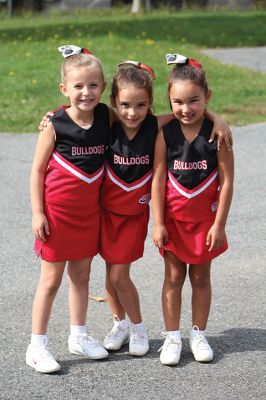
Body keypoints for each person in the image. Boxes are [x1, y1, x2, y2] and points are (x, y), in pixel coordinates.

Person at [38, 59, 233, 358]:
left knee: (118, 276)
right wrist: (54, 114)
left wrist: (216, 118)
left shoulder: (155, 125)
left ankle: (139, 327)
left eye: (140, 106)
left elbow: (186, 112)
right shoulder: (109, 122)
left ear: (150, 105)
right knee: (107, 275)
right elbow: (77, 111)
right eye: (125, 105)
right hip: (102, 213)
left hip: (133, 216)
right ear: (115, 103)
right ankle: (120, 324)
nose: (132, 112)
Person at [26, 45, 111, 373]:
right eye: (78, 86)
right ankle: (37, 346)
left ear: (102, 87)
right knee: (50, 280)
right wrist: (37, 212)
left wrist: (213, 117)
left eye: (93, 85)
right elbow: (37, 170)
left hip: (89, 215)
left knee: (81, 276)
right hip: (57, 216)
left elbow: (145, 119)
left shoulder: (106, 115)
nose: (86, 92)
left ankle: (78, 335)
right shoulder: (55, 124)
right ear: (64, 90)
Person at [151, 53, 234, 366]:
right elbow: (158, 179)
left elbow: (226, 182)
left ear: (207, 97)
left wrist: (219, 224)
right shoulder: (164, 131)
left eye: (194, 101)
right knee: (173, 278)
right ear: (170, 101)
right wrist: (158, 223)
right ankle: (172, 337)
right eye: (178, 102)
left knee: (200, 279)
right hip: (173, 222)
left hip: (205, 224)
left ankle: (198, 334)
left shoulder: (219, 135)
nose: (185, 109)